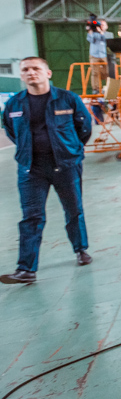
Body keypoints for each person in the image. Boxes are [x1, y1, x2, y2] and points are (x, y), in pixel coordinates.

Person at [1, 57, 93, 284]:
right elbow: (12, 131)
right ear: (21, 75)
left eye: (36, 69)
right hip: (31, 169)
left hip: (65, 165)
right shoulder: (14, 105)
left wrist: (71, 151)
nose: (31, 73)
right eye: (26, 70)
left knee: (73, 210)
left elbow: (85, 127)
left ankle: (81, 249)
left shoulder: (67, 99)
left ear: (48, 73)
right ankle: (26, 269)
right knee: (31, 216)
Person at [85, 16, 111, 94]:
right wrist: (90, 30)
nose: (102, 26)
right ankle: (95, 89)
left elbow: (107, 41)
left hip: (104, 55)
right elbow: (90, 40)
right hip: (94, 55)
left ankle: (108, 87)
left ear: (106, 26)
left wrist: (101, 32)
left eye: (103, 25)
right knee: (95, 73)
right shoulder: (94, 34)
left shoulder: (108, 34)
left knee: (107, 72)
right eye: (101, 25)